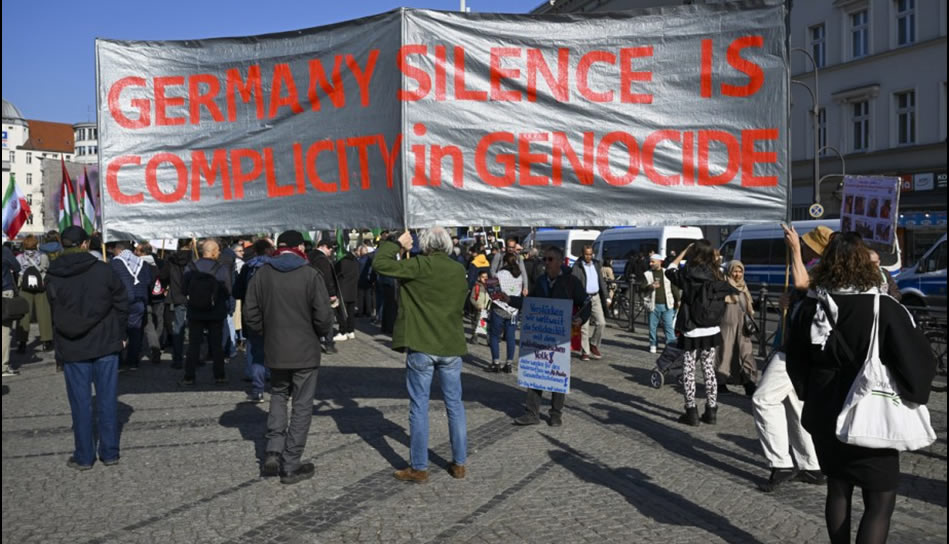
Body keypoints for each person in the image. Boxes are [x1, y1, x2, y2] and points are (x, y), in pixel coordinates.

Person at [785, 232, 936, 544]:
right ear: (865, 266)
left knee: (837, 488)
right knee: (880, 501)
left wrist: (809, 396)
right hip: (872, 410)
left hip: (825, 411)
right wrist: (913, 392)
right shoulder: (886, 308)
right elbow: (918, 362)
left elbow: (795, 363)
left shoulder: (810, 307)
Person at [372, 228, 469, 483]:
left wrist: (395, 244)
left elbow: (379, 264)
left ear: (425, 245)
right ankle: (459, 464)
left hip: (422, 343)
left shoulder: (419, 265)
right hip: (450, 345)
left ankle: (420, 467)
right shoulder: (458, 270)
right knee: (455, 406)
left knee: (419, 407)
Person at [244, 231, 334, 484]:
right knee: (302, 405)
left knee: (278, 396)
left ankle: (273, 449)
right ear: (300, 247)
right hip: (305, 349)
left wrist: (266, 332)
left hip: (275, 348)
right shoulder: (310, 274)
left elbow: (250, 314)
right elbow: (324, 316)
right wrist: (319, 333)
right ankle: (291, 463)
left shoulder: (262, 274)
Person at [753, 224, 831, 491]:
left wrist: (795, 250)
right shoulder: (816, 266)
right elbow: (801, 291)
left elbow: (803, 283)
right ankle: (811, 465)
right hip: (797, 343)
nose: (804, 246)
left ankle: (781, 462)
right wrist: (789, 300)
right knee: (795, 406)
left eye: (808, 244)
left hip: (799, 348)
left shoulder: (823, 269)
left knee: (763, 399)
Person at [45, 226, 128, 469]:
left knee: (80, 404)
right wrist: (121, 334)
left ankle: (84, 456)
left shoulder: (52, 274)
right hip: (104, 343)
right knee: (106, 400)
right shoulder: (103, 270)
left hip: (73, 346)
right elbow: (122, 303)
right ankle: (110, 452)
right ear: (84, 244)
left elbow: (53, 314)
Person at [514, 245, 590, 427]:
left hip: (560, 336)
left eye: (549, 259)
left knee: (558, 372)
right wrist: (508, 300)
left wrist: (580, 318)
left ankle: (556, 413)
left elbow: (586, 303)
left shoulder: (571, 281)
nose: (545, 263)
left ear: (559, 262)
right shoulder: (541, 281)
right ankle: (532, 413)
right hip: (540, 336)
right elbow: (529, 302)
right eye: (544, 260)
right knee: (535, 370)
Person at [665, 240, 737, 426]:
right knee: (708, 369)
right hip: (711, 327)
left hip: (692, 326)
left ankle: (691, 411)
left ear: (694, 253)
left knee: (688, 368)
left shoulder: (688, 274)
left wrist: (683, 251)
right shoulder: (717, 273)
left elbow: (669, 269)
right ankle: (711, 410)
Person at [181, 239, 231, 385]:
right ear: (214, 252)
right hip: (216, 311)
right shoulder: (221, 268)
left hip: (195, 311)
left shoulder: (191, 267)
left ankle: (189, 376)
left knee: (193, 344)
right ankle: (219, 375)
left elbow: (183, 290)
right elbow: (228, 290)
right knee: (216, 345)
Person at [233, 238, 274, 403]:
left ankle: (258, 389)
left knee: (256, 351)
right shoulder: (277, 266)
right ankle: (279, 385)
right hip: (274, 313)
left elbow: (237, 291)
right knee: (276, 350)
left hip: (252, 314)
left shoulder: (247, 267)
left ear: (255, 251)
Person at [717, 260, 757, 396]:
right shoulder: (723, 285)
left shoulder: (743, 285)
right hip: (727, 325)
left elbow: (748, 304)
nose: (737, 274)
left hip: (742, 326)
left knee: (746, 353)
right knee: (725, 353)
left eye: (740, 271)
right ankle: (720, 382)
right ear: (729, 271)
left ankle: (749, 382)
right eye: (735, 271)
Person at [111, 241, 152, 371]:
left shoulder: (115, 262)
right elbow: (148, 280)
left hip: (120, 302)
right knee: (135, 332)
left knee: (118, 331)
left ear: (118, 250)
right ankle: (132, 361)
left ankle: (118, 361)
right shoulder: (142, 262)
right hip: (139, 300)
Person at [15, 234, 53, 354]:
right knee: (44, 313)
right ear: (36, 244)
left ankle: (22, 343)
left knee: (23, 315)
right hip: (40, 288)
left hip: (25, 288)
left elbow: (17, 271)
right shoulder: (43, 256)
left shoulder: (19, 258)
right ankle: (46, 341)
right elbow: (46, 270)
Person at [487, 253, 524, 373]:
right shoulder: (519, 276)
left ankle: (496, 362)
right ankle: (508, 363)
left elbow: (494, 294)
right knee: (511, 337)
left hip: (499, 308)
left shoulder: (500, 274)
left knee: (494, 335)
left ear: (504, 262)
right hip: (513, 309)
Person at [162, 239, 194, 369]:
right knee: (194, 328)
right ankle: (193, 358)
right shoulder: (194, 257)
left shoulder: (171, 259)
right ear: (191, 244)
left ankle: (177, 359)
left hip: (177, 294)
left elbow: (163, 275)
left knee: (178, 327)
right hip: (193, 295)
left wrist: (166, 285)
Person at [572, 245, 608, 361]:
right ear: (582, 254)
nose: (589, 256)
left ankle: (593, 343)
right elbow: (574, 282)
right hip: (584, 298)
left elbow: (601, 281)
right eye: (587, 254)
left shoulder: (596, 264)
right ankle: (585, 351)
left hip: (595, 296)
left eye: (590, 254)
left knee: (601, 322)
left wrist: (607, 297)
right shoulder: (577, 266)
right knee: (584, 327)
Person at [308, 239, 342, 350]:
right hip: (322, 292)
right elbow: (327, 278)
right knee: (327, 317)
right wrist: (332, 294)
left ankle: (314, 342)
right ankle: (329, 344)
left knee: (312, 317)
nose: (331, 251)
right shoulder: (322, 260)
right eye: (329, 248)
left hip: (309, 290)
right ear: (323, 246)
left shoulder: (308, 256)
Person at [642, 253, 679, 354]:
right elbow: (641, 287)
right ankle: (653, 344)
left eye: (653, 261)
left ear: (660, 262)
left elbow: (673, 287)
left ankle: (670, 345)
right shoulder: (647, 274)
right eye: (650, 261)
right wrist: (650, 286)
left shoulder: (666, 272)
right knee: (652, 327)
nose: (651, 263)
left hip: (667, 304)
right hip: (653, 304)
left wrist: (678, 300)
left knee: (668, 327)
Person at [137, 242, 166, 365]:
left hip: (147, 296)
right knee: (159, 321)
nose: (135, 252)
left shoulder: (138, 263)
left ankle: (155, 347)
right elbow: (165, 276)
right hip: (159, 294)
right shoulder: (159, 261)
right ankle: (158, 344)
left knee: (149, 325)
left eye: (137, 250)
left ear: (142, 252)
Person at [2, 244, 21, 376]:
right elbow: (17, 267)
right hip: (4, 290)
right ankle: (3, 366)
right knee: (4, 331)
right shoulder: (4, 251)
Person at [335, 245, 360, 340]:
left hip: (343, 290)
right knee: (351, 312)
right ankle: (351, 330)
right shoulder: (355, 261)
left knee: (341, 313)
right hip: (353, 289)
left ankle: (343, 332)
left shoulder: (342, 262)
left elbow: (336, 273)